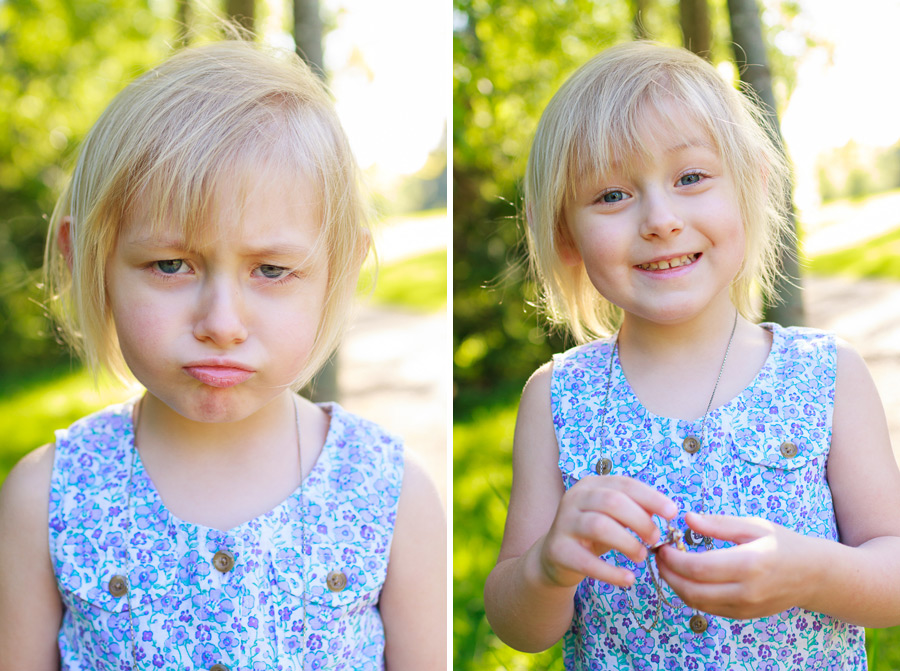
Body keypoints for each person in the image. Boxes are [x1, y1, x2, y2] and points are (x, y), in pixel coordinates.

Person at [0, 39, 445, 671]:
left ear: (337, 270)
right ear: (88, 261)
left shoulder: (391, 495)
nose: (222, 323)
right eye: (171, 264)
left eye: (270, 269)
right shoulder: (47, 498)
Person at [483, 41, 900, 669]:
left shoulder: (826, 375)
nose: (660, 219)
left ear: (753, 188)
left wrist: (815, 573)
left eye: (690, 177)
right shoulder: (557, 398)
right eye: (612, 195)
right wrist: (545, 567)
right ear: (565, 235)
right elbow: (519, 625)